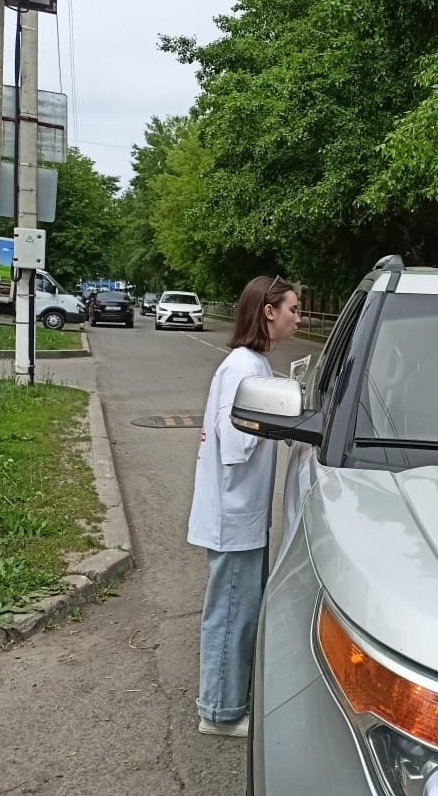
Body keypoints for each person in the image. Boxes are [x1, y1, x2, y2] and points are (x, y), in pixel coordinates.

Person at [187, 275, 299, 737]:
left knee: (241, 608)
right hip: (233, 515)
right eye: (292, 308)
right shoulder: (243, 369)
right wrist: (286, 419)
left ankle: (228, 699)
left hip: (242, 514)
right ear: (268, 311)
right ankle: (218, 712)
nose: (298, 316)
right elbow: (238, 445)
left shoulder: (251, 364)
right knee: (232, 610)